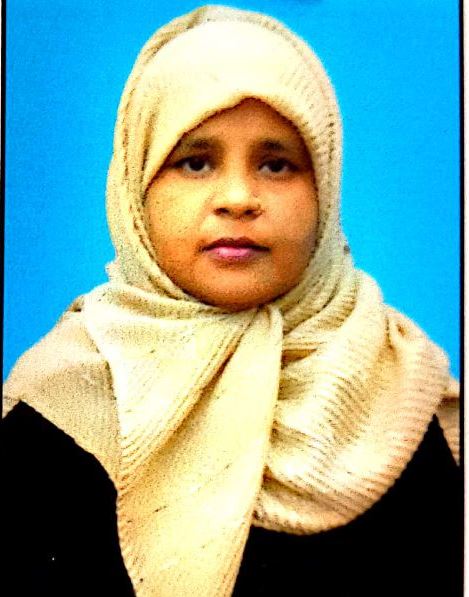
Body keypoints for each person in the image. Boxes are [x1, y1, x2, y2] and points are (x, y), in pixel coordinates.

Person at [3, 5, 461, 596]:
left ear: (324, 188)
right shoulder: (64, 404)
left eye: (277, 164)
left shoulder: (406, 391)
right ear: (137, 188)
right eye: (195, 162)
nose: (239, 198)